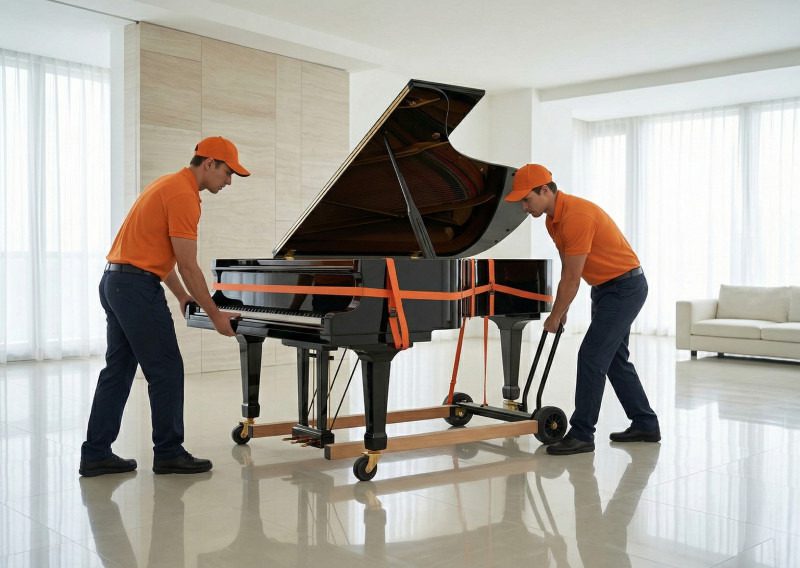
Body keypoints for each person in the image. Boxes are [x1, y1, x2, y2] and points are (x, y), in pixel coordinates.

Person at [80, 136, 249, 476]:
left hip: (116, 281)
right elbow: (188, 265)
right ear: (209, 163)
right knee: (167, 369)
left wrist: (181, 295)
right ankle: (169, 451)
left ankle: (96, 453)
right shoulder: (185, 196)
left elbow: (159, 254)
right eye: (228, 173)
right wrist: (216, 315)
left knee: (118, 370)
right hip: (135, 288)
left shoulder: (168, 184)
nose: (229, 181)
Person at [505, 164, 660, 456]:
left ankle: (582, 434)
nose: (524, 207)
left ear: (546, 190)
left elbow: (573, 277)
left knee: (591, 355)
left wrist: (554, 315)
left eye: (527, 199)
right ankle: (645, 424)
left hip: (625, 288)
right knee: (614, 358)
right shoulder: (552, 220)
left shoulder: (576, 215)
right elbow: (569, 269)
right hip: (604, 288)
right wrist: (561, 309)